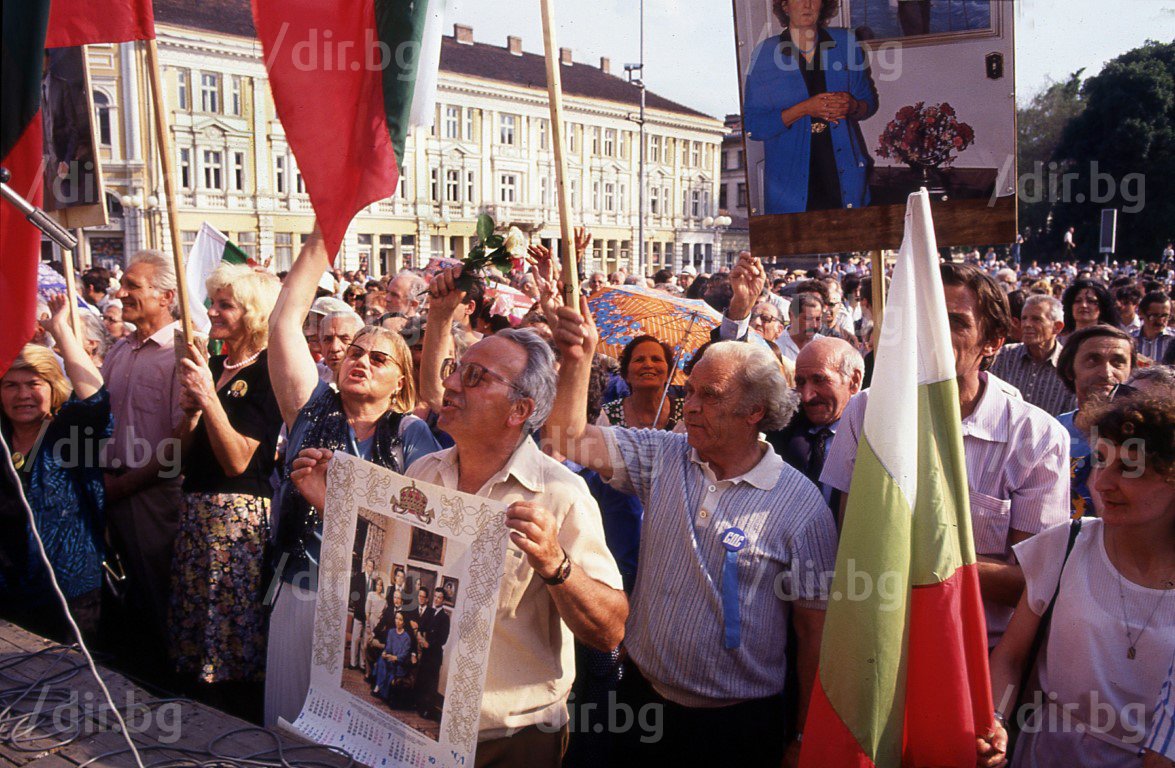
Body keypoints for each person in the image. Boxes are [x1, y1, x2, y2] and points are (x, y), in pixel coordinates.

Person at [291, 266, 627, 765]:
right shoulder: (425, 471)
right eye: (454, 370)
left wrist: (557, 564)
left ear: (519, 410)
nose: (450, 385)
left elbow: (609, 630)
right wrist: (331, 505)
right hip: (413, 731)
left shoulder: (560, 494)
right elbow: (383, 562)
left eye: (474, 377)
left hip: (510, 742)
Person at [547, 299, 837, 767]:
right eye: (692, 390)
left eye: (711, 395)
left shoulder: (801, 508)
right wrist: (578, 359)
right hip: (643, 701)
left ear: (754, 412)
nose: (692, 406)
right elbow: (564, 440)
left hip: (737, 728)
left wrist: (803, 735)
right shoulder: (665, 455)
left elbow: (814, 634)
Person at [823, 263, 1070, 649]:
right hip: (882, 646)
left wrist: (923, 559)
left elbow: (1032, 583)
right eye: (925, 317)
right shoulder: (866, 412)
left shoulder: (1038, 437)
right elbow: (848, 544)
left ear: (993, 342)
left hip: (978, 654)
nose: (934, 333)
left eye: (955, 322)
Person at [264, 225, 441, 727]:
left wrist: (334, 502)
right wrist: (324, 233)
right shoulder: (308, 406)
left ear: (399, 379)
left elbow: (419, 535)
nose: (361, 360)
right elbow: (283, 323)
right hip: (300, 591)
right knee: (288, 728)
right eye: (356, 352)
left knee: (350, 736)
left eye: (379, 358)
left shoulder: (412, 436)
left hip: (364, 605)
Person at [978, 389, 1175, 768]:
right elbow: (1011, 656)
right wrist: (997, 720)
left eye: (1130, 468)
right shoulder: (1067, 544)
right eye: (1100, 461)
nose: (1102, 483)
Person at [170, 263, 282, 719]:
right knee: (195, 626)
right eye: (212, 302)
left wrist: (209, 399)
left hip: (236, 517)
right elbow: (177, 456)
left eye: (225, 305)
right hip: (197, 509)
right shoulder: (212, 364)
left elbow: (238, 460)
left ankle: (232, 719)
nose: (212, 312)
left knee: (228, 627)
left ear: (253, 314)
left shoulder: (268, 374)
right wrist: (192, 413)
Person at [0, 295, 109, 640]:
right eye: (10, 385)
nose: (23, 395)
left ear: (52, 387)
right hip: (7, 590)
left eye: (34, 384)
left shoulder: (68, 433)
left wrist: (60, 330)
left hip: (68, 589)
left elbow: (95, 397)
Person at [102, 249, 185, 680]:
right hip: (111, 489)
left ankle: (163, 689)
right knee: (121, 595)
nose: (122, 293)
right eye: (125, 284)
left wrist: (126, 485)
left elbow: (180, 443)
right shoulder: (120, 350)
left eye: (134, 286)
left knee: (157, 596)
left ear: (166, 295)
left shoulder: (180, 355)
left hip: (152, 496)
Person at [743, 0, 878, 214]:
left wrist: (852, 105)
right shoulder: (765, 53)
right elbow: (754, 126)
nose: (807, 4)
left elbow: (867, 104)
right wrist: (805, 108)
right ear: (785, 6)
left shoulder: (846, 43)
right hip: (790, 182)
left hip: (843, 174)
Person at [1054, 325, 1137, 518]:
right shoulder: (1053, 431)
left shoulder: (1145, 439)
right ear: (1069, 369)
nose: (1107, 373)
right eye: (1093, 360)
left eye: (1118, 362)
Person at [988, 295, 1076, 417]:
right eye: (1024, 318)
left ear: (1057, 327)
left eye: (1036, 319)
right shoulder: (1004, 356)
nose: (1027, 324)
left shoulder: (1069, 366)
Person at [595, 335, 683, 430]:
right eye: (639, 360)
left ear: (668, 373)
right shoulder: (605, 416)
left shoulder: (688, 412)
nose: (648, 365)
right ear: (626, 374)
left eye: (656, 359)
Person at [412, 587, 451, 719]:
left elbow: (443, 639)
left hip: (434, 656)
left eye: (439, 597)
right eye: (435, 596)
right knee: (421, 679)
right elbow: (421, 627)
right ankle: (417, 705)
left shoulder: (445, 618)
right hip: (425, 654)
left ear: (443, 600)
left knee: (430, 684)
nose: (436, 599)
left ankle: (426, 709)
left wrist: (429, 643)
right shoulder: (429, 612)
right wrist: (420, 638)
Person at [372, 611, 417, 704]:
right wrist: (385, 653)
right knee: (381, 659)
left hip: (399, 663)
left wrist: (394, 657)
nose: (397, 621)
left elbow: (404, 655)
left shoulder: (407, 637)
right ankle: (379, 687)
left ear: (404, 622)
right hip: (389, 659)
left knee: (385, 664)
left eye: (400, 619)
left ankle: (379, 688)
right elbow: (388, 647)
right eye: (396, 618)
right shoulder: (391, 632)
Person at [1134, 291, 1173, 362]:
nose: (1160, 321)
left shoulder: (1173, 339)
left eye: (1165, 316)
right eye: (1154, 316)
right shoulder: (1130, 340)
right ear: (1141, 313)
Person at [361, 575, 386, 676]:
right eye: (377, 585)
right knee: (366, 645)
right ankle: (366, 670)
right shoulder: (371, 594)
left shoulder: (384, 600)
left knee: (373, 647)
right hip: (370, 620)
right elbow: (367, 611)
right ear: (375, 586)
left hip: (378, 625)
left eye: (381, 585)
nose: (379, 587)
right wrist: (367, 625)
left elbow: (384, 615)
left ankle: (371, 671)